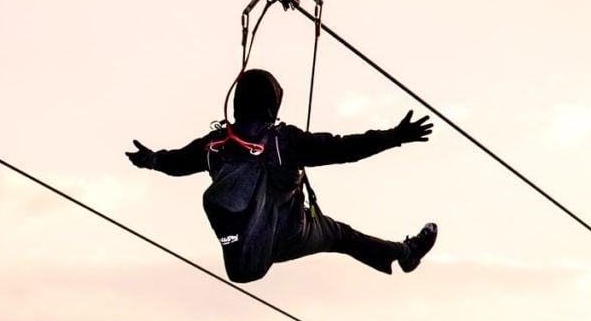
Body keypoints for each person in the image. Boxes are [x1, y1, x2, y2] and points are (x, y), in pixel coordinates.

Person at [125, 68, 435, 283]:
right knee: (341, 236)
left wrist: (150, 159)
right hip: (289, 235)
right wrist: (395, 136)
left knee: (337, 234)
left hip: (245, 241)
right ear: (272, 104)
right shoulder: (283, 141)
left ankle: (403, 255)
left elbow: (178, 163)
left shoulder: (216, 143)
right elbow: (343, 149)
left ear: (238, 103)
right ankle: (405, 254)